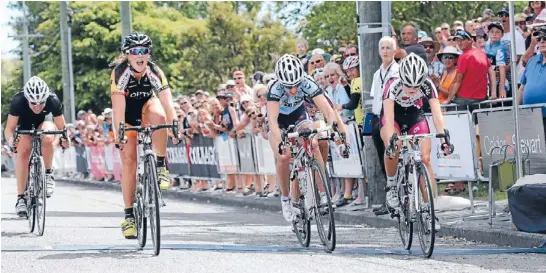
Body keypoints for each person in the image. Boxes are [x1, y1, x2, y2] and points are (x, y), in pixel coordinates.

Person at [109, 32, 180, 239]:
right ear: (128, 55)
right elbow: (118, 109)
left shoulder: (155, 71)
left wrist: (174, 125)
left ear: (148, 54)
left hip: (146, 107)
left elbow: (168, 102)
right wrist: (119, 134)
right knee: (129, 162)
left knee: (159, 115)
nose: (140, 55)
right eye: (135, 51)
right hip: (127, 117)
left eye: (144, 51)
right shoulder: (120, 73)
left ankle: (159, 166)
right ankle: (129, 216)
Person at [267, 54, 349, 222]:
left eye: (296, 85)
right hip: (279, 121)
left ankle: (322, 192)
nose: (294, 90)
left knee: (313, 140)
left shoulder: (307, 82)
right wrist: (280, 141)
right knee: (283, 156)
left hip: (298, 116)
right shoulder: (274, 88)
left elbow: (328, 111)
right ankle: (285, 198)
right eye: (289, 87)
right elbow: (273, 123)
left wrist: (333, 130)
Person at [380, 53, 453, 228]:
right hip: (394, 116)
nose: (412, 90)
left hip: (414, 114)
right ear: (401, 78)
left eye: (416, 86)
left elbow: (436, 114)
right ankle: (391, 185)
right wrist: (391, 139)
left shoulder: (428, 85)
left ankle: (429, 211)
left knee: (425, 159)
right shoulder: (392, 84)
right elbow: (389, 119)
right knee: (395, 145)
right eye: (408, 85)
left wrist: (443, 136)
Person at [4, 76, 69, 217]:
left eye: (41, 102)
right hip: (24, 125)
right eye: (33, 103)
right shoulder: (18, 101)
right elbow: (9, 129)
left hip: (44, 123)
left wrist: (64, 138)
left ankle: (48, 174)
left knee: (47, 136)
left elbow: (61, 127)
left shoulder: (53, 100)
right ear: (27, 99)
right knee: (24, 150)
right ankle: (21, 198)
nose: (38, 106)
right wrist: (10, 141)